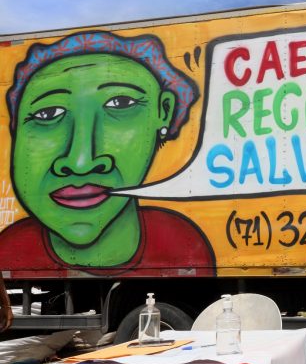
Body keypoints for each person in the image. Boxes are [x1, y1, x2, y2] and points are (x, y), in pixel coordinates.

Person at [0, 31, 214, 276]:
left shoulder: (182, 243)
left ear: (163, 111)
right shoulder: (9, 248)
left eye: (121, 104)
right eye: (47, 114)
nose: (81, 162)